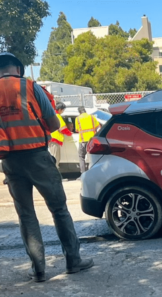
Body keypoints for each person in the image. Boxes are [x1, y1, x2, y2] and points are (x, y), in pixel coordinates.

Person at [0, 52, 93, 282]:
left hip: (10, 160)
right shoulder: (30, 86)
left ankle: (39, 270)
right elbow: (53, 125)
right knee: (59, 209)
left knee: (26, 215)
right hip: (38, 157)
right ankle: (73, 261)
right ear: (18, 69)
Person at [75, 107, 100, 175]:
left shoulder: (77, 118)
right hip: (92, 140)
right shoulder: (92, 117)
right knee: (91, 156)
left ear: (79, 112)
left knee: (81, 156)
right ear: (85, 111)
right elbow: (98, 126)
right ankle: (92, 172)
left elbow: (77, 130)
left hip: (82, 140)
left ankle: (83, 173)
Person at [49, 102, 72, 169]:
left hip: (53, 139)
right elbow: (63, 129)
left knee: (55, 158)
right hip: (55, 139)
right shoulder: (58, 116)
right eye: (63, 110)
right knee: (55, 159)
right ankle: (55, 177)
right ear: (59, 109)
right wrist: (70, 133)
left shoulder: (53, 115)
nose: (63, 111)